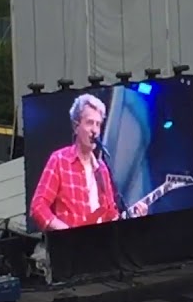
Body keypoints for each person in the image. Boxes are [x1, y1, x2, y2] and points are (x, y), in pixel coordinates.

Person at [28, 94, 143, 231]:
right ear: (76, 127)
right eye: (89, 122)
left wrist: (133, 217)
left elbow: (111, 216)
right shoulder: (59, 160)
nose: (94, 130)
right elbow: (38, 206)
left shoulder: (102, 170)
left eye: (98, 124)